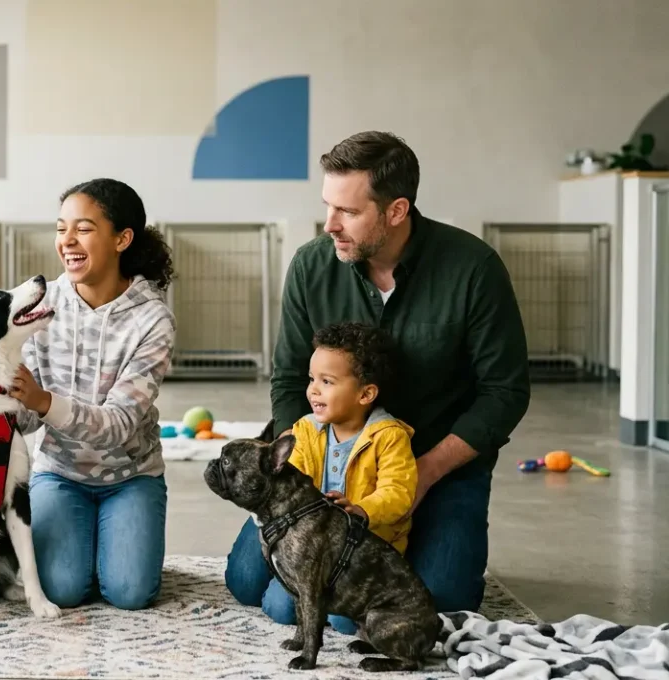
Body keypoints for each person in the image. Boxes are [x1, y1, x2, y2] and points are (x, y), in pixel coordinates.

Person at [226, 131, 531, 615]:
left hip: (437, 464)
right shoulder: (310, 266)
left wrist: (423, 473)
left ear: (396, 210)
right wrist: (302, 472)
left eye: (347, 211)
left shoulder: (474, 268)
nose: (329, 224)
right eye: (328, 206)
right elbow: (287, 379)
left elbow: (505, 392)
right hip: (328, 463)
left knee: (441, 602)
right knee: (245, 582)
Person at [8, 178, 177, 611]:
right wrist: (6, 400)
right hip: (59, 472)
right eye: (61, 227)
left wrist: (43, 401)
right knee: (62, 590)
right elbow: (25, 419)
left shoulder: (153, 319)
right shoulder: (39, 307)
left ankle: (119, 537)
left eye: (82, 228)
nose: (66, 241)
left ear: (122, 239)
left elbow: (120, 426)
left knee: (129, 592)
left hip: (130, 476)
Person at [232, 321, 417, 635]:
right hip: (310, 551)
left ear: (366, 393)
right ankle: (290, 583)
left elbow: (399, 492)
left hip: (359, 560)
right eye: (311, 379)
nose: (313, 390)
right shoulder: (304, 431)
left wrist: (361, 510)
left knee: (344, 623)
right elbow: (289, 489)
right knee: (266, 598)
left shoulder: (390, 438)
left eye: (327, 381)